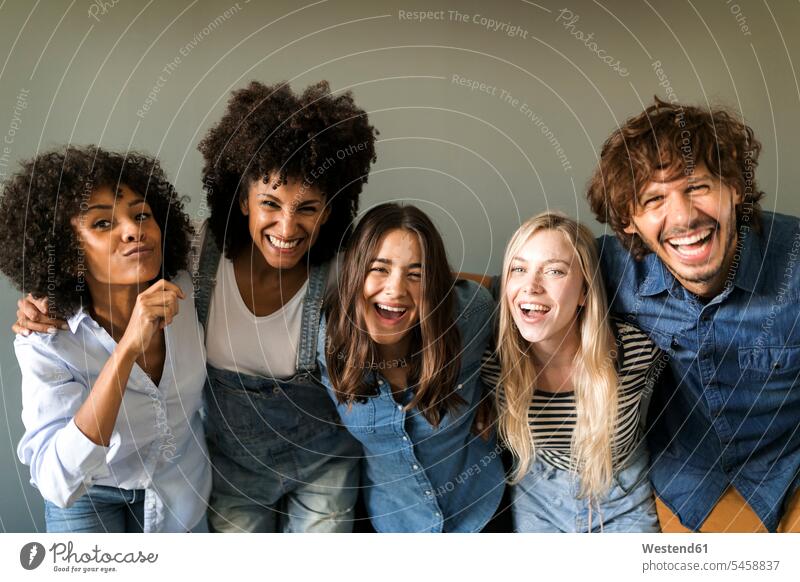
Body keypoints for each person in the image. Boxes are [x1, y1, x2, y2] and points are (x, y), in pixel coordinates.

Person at [13, 81, 378, 533]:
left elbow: (424, 280)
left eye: (307, 207)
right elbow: (55, 479)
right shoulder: (197, 261)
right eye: (269, 202)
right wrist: (43, 295)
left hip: (306, 466)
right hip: (212, 473)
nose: (287, 225)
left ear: (329, 210)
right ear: (243, 199)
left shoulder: (349, 269)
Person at [587, 96, 800, 532]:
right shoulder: (603, 272)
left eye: (698, 186)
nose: (683, 217)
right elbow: (513, 300)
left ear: (736, 189)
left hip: (789, 472)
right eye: (654, 199)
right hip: (679, 485)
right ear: (630, 220)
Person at [0, 146, 209, 532]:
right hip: (89, 495)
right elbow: (57, 481)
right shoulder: (45, 340)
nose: (134, 229)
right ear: (68, 254)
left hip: (181, 489)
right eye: (101, 224)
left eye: (142, 214)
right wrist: (127, 348)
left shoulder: (191, 281)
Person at [318, 203, 505, 532]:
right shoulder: (327, 343)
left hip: (481, 511)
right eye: (380, 268)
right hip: (392, 521)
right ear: (354, 272)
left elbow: (520, 301)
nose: (396, 289)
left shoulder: (469, 316)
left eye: (415, 275)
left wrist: (495, 391)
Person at [482, 212, 661, 532]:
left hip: (622, 492)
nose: (531, 287)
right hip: (538, 494)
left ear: (583, 292)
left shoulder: (635, 352)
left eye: (554, 271)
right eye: (519, 269)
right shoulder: (491, 362)